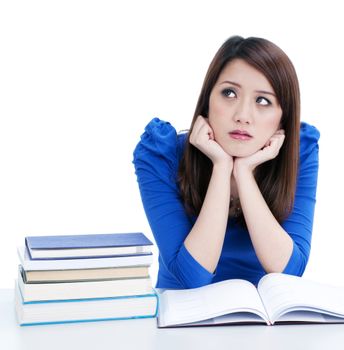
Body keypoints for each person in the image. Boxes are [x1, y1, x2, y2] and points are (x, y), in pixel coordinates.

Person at [133, 35, 320, 289]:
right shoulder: (160, 153)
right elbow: (191, 277)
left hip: (261, 320)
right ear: (207, 100)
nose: (243, 115)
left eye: (263, 100)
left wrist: (244, 172)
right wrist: (221, 167)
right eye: (229, 93)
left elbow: (288, 271)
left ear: (282, 118)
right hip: (181, 321)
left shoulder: (299, 152)